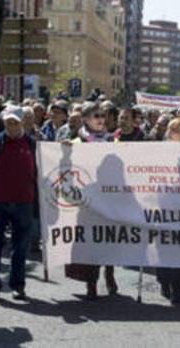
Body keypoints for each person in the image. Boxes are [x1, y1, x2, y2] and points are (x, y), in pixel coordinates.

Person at [0, 106, 37, 303]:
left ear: (22, 123)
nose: (11, 126)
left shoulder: (33, 144)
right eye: (8, 123)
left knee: (20, 247)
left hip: (24, 203)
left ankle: (18, 285)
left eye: (15, 123)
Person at [64, 101, 117, 299]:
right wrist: (65, 152)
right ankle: (91, 283)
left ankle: (110, 274)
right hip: (86, 201)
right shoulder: (76, 143)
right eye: (96, 116)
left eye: (102, 116)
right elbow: (67, 168)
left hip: (109, 197)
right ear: (85, 120)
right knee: (90, 242)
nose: (101, 120)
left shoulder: (113, 141)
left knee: (109, 239)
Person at [156, 118, 180, 305]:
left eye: (175, 129)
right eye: (169, 129)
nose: (170, 132)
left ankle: (179, 288)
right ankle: (164, 281)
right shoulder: (159, 152)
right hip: (163, 207)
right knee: (163, 248)